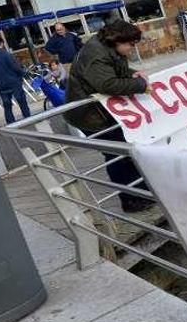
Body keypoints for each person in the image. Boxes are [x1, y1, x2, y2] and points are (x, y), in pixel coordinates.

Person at [64, 20, 153, 213]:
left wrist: (132, 73)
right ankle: (130, 199)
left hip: (100, 111)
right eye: (130, 45)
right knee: (116, 154)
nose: (131, 49)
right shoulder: (96, 54)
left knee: (124, 150)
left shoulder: (106, 48)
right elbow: (107, 84)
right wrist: (140, 86)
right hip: (91, 116)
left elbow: (112, 71)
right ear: (118, 40)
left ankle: (140, 193)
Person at [0, 37, 30, 124]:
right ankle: (27, 118)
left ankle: (10, 123)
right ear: (1, 43)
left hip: (0, 84)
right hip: (13, 81)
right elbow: (15, 67)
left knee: (7, 105)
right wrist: (23, 73)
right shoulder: (5, 54)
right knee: (22, 101)